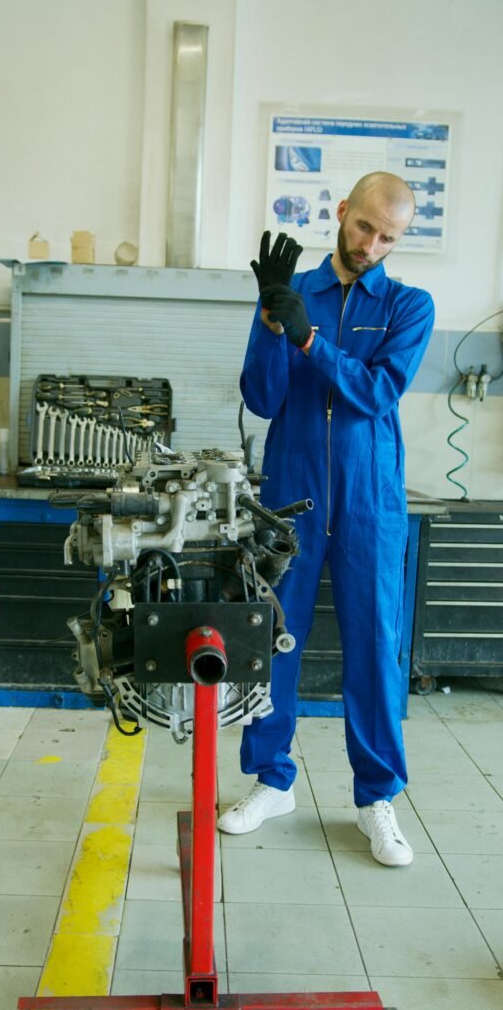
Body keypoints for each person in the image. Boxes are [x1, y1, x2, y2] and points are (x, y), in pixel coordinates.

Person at [217, 172, 435, 867]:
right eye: (365, 226)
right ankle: (271, 779)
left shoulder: (409, 305)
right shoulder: (294, 294)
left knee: (374, 646)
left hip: (371, 500)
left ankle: (376, 797)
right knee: (274, 638)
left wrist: (313, 342)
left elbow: (376, 392)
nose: (371, 244)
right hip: (292, 489)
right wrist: (273, 322)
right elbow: (261, 396)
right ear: (342, 213)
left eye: (388, 237)